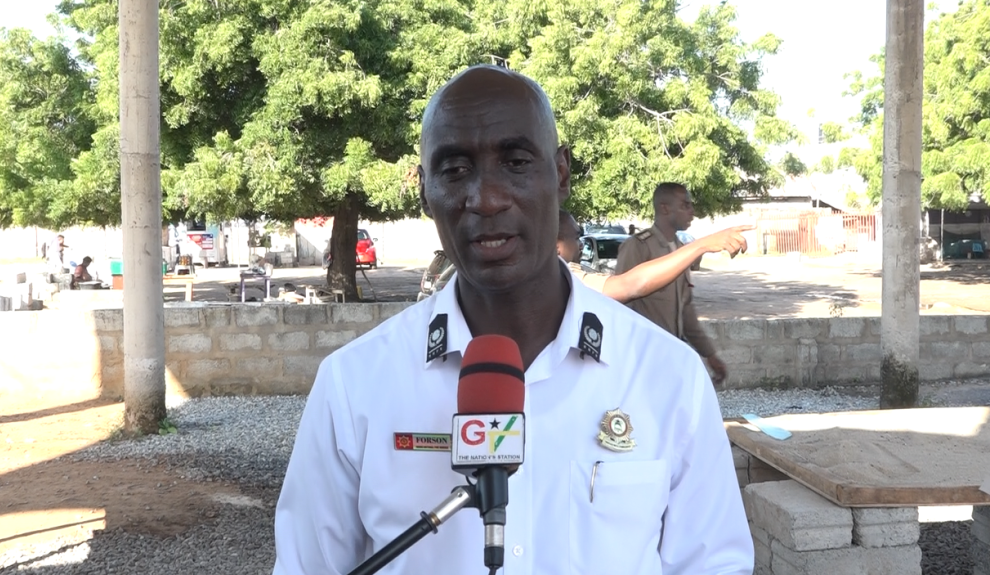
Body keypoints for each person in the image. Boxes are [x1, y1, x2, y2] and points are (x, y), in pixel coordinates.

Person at [273, 65, 752, 575]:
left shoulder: (668, 377)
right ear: (425, 191)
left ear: (561, 174)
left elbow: (712, 564)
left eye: (516, 162)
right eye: (454, 169)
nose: (486, 199)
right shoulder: (354, 385)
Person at [615, 182, 728, 385]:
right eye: (685, 205)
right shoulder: (638, 247)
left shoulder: (681, 251)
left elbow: (686, 310)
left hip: (672, 357)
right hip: (641, 360)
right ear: (665, 208)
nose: (692, 211)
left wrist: (709, 354)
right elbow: (618, 304)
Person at [558, 209, 752, 301]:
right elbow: (630, 284)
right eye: (576, 238)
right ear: (555, 246)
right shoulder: (562, 276)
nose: (580, 245)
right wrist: (702, 245)